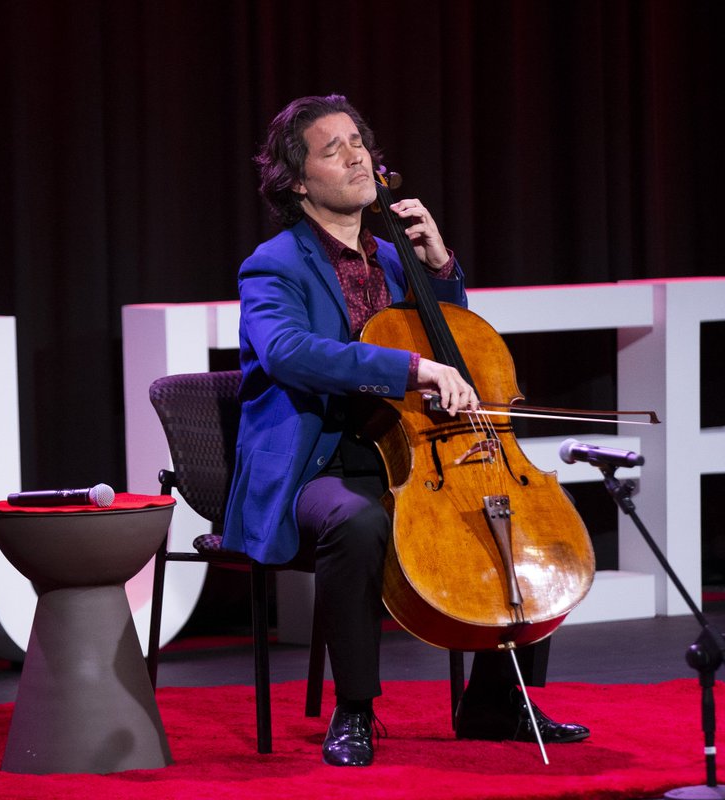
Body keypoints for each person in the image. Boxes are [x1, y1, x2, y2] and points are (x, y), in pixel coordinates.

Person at [222, 94, 589, 767]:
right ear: (297, 180)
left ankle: (496, 703)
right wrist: (408, 367)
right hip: (318, 464)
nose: (357, 153)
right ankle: (355, 709)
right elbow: (288, 352)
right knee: (357, 523)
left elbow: (455, 347)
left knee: (510, 511)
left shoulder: (395, 259)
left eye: (359, 141)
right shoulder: (274, 264)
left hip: (409, 451)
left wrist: (440, 269)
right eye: (334, 148)